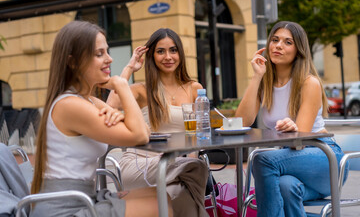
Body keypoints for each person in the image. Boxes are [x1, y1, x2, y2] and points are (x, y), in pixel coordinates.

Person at [30, 21, 173, 217]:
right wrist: (121, 85)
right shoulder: (69, 105)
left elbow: (144, 131)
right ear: (72, 62)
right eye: (99, 54)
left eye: (107, 51)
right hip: (63, 209)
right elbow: (139, 135)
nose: (109, 59)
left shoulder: (89, 101)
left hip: (85, 197)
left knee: (161, 195)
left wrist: (121, 116)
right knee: (159, 206)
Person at [235, 21, 348, 216]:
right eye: (275, 40)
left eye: (288, 42)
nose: (278, 45)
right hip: (291, 162)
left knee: (262, 160)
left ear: (299, 50)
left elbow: (299, 141)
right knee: (286, 187)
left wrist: (293, 127)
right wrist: (256, 77)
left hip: (324, 157)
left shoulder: (308, 82)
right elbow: (241, 122)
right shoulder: (264, 84)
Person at [107, 28, 209, 217]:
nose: (168, 57)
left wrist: (190, 158)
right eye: (160, 51)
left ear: (180, 54)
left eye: (173, 50)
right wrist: (129, 67)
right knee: (197, 167)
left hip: (177, 168)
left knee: (182, 192)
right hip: (139, 165)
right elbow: (110, 105)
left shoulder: (194, 89)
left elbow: (197, 135)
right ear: (152, 56)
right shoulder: (140, 90)